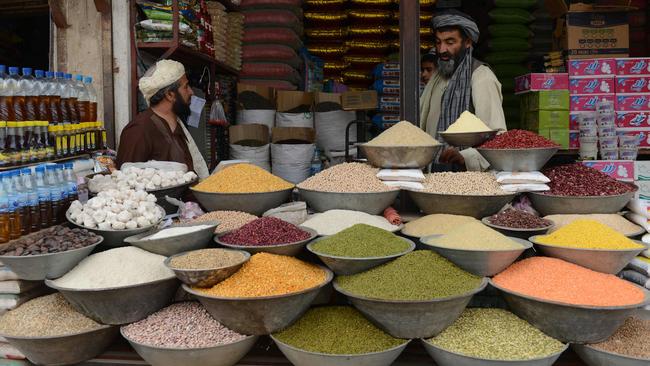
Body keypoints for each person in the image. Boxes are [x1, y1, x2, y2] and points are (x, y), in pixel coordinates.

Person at [419, 10, 506, 171]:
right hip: (434, 175)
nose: (442, 49)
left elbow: (498, 137)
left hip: (468, 179)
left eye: (450, 42)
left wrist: (466, 157)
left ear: (467, 42)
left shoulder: (481, 76)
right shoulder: (438, 78)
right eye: (438, 42)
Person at [117, 59, 209, 178]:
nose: (191, 92)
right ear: (170, 95)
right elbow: (126, 183)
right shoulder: (138, 130)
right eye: (186, 87)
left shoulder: (177, 124)